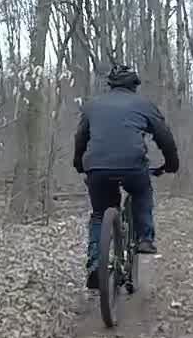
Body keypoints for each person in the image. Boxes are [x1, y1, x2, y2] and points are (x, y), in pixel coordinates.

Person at [73, 62, 179, 288]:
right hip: (132, 166)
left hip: (97, 168)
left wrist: (79, 164)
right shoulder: (143, 105)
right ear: (134, 86)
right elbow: (164, 136)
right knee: (142, 192)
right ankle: (145, 238)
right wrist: (171, 163)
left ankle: (95, 262)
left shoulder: (93, 105)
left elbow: (80, 139)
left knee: (100, 214)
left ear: (110, 85)